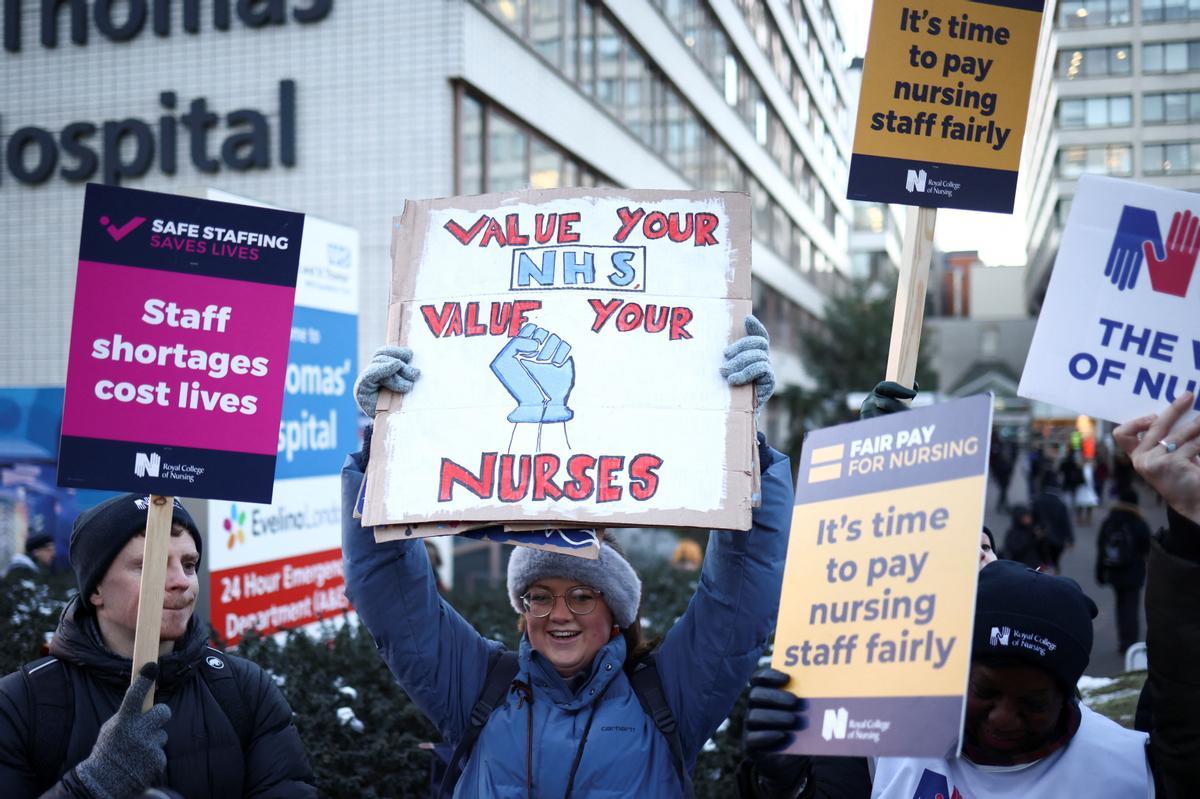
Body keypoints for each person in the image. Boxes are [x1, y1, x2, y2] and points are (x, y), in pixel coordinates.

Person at [344, 316, 791, 797]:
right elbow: (392, 594)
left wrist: (745, 442)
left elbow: (739, 594)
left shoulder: (671, 696)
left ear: (616, 612)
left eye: (581, 595)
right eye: (539, 596)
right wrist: (386, 446)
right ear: (523, 611)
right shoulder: (477, 688)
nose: (558, 614)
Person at [0, 493, 316, 797]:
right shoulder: (22, 704)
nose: (182, 580)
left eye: (189, 564)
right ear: (96, 588)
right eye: (151, 565)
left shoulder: (244, 689)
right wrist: (92, 785)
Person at [1095, 487, 1152, 653]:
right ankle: (1131, 643)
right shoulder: (1139, 522)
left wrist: (1100, 572)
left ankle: (1122, 640)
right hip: (1134, 571)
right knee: (1131, 607)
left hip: (1114, 571)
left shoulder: (1110, 520)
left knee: (1120, 605)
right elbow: (1147, 547)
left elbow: (1101, 547)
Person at [1031, 471, 1074, 573]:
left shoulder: (1038, 501)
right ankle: (1054, 571)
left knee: (1042, 560)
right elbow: (1065, 521)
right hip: (1058, 539)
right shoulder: (1060, 504)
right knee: (1054, 560)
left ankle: (1043, 571)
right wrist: (1071, 539)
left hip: (1042, 537)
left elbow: (1033, 518)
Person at [1002, 504, 1044, 569]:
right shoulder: (1014, 533)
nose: (1028, 519)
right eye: (1025, 517)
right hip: (1020, 566)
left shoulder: (1032, 529)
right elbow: (1013, 550)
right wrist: (1031, 538)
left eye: (1028, 516)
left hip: (1034, 566)